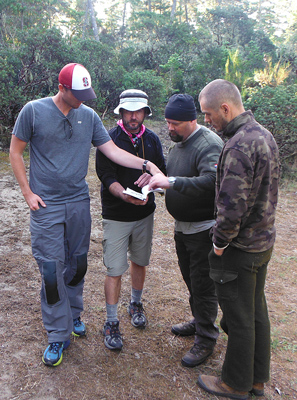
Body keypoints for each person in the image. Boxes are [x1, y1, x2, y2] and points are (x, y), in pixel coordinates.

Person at [9, 64, 162, 367]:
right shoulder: (33, 111)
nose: (83, 99)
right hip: (46, 205)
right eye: (77, 94)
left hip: (77, 202)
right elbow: (15, 152)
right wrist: (27, 192)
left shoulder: (88, 116)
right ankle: (56, 334)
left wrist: (146, 165)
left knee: (78, 264)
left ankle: (74, 313)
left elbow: (113, 152)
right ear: (62, 88)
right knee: (52, 270)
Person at [196, 79, 280, 400]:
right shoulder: (265, 136)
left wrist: (219, 244)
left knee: (240, 317)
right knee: (256, 311)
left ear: (225, 109)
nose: (207, 120)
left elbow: (231, 208)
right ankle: (257, 380)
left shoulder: (238, 146)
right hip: (263, 244)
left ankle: (235, 383)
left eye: (208, 114)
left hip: (240, 250)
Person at [148, 94, 223, 367]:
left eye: (175, 123)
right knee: (192, 282)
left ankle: (206, 339)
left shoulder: (208, 144)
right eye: (167, 122)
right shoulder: (180, 143)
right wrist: (159, 184)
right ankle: (200, 321)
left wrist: (172, 182)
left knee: (203, 287)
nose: (169, 128)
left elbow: (214, 180)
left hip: (204, 230)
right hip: (184, 229)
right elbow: (177, 177)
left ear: (192, 119)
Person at [96, 89, 166, 350]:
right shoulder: (109, 139)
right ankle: (111, 321)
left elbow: (162, 170)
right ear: (121, 112)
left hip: (144, 214)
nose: (134, 116)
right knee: (114, 269)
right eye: (129, 111)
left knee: (140, 261)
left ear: (145, 113)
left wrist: (153, 179)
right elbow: (105, 175)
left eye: (139, 111)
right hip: (116, 214)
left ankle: (136, 303)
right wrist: (122, 195)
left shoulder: (152, 139)